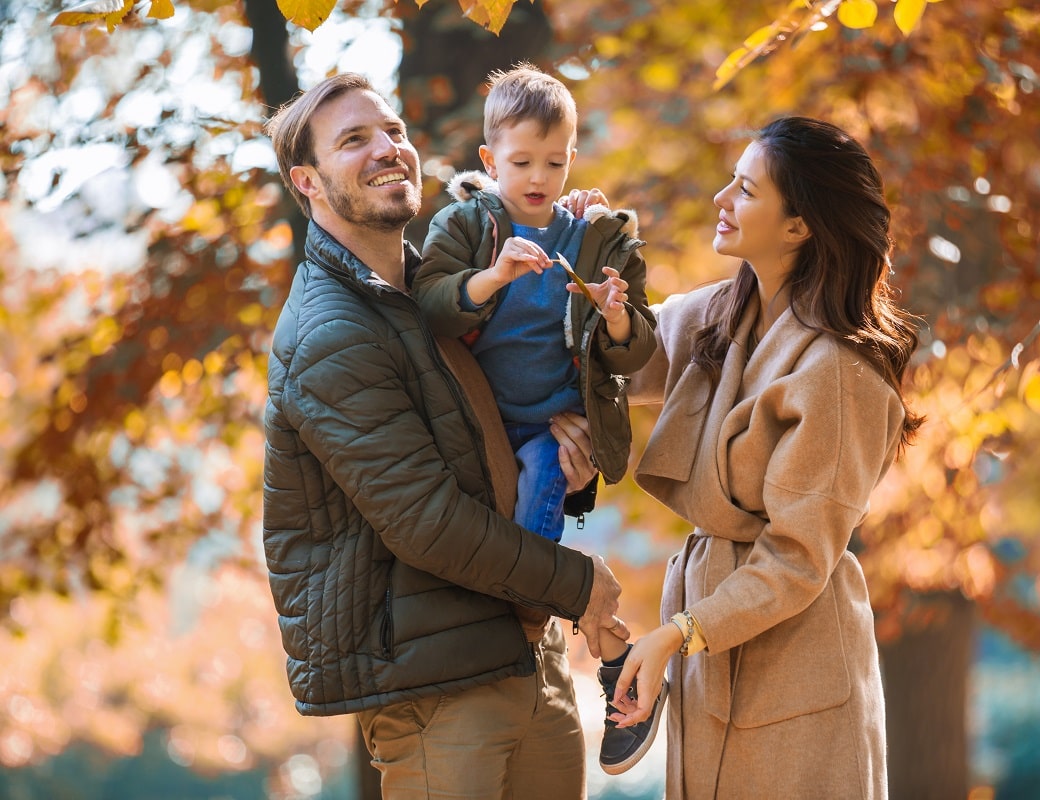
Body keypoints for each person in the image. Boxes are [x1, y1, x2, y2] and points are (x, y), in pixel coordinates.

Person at [260, 72, 630, 800]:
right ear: (307, 181)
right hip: (434, 688)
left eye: (394, 131)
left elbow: (490, 447)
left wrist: (568, 468)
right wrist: (581, 584)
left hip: (527, 654)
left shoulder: (440, 293)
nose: (388, 149)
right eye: (354, 140)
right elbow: (427, 523)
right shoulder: (331, 331)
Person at [605, 116, 924, 798]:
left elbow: (799, 556)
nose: (723, 199)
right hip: (705, 643)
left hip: (796, 657)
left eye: (746, 190)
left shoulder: (838, 371)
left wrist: (679, 633)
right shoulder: (724, 312)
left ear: (798, 226)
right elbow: (622, 357)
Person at [412, 63, 664, 775]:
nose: (538, 176)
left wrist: (616, 319)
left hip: (556, 426)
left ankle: (526, 616)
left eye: (554, 162)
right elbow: (427, 302)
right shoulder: (466, 223)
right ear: (491, 161)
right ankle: (576, 622)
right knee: (506, 512)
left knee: (542, 487)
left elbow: (638, 346)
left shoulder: (595, 237)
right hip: (484, 422)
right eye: (521, 162)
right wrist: (492, 278)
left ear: (572, 160)